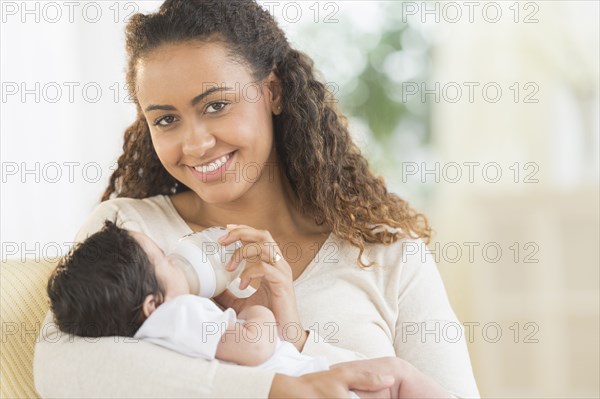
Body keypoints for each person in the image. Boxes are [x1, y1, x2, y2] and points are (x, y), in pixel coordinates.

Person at [34, 0, 480, 397]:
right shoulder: (130, 235)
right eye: (167, 119)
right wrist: (275, 388)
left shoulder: (387, 252)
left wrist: (300, 341)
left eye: (215, 106)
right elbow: (61, 370)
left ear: (273, 91)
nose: (194, 144)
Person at [45, 220, 451, 399]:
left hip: (309, 377)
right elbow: (255, 347)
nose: (175, 258)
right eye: (164, 260)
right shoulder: (177, 314)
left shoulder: (147, 331)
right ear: (153, 304)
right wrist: (254, 314)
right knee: (396, 376)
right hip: (313, 384)